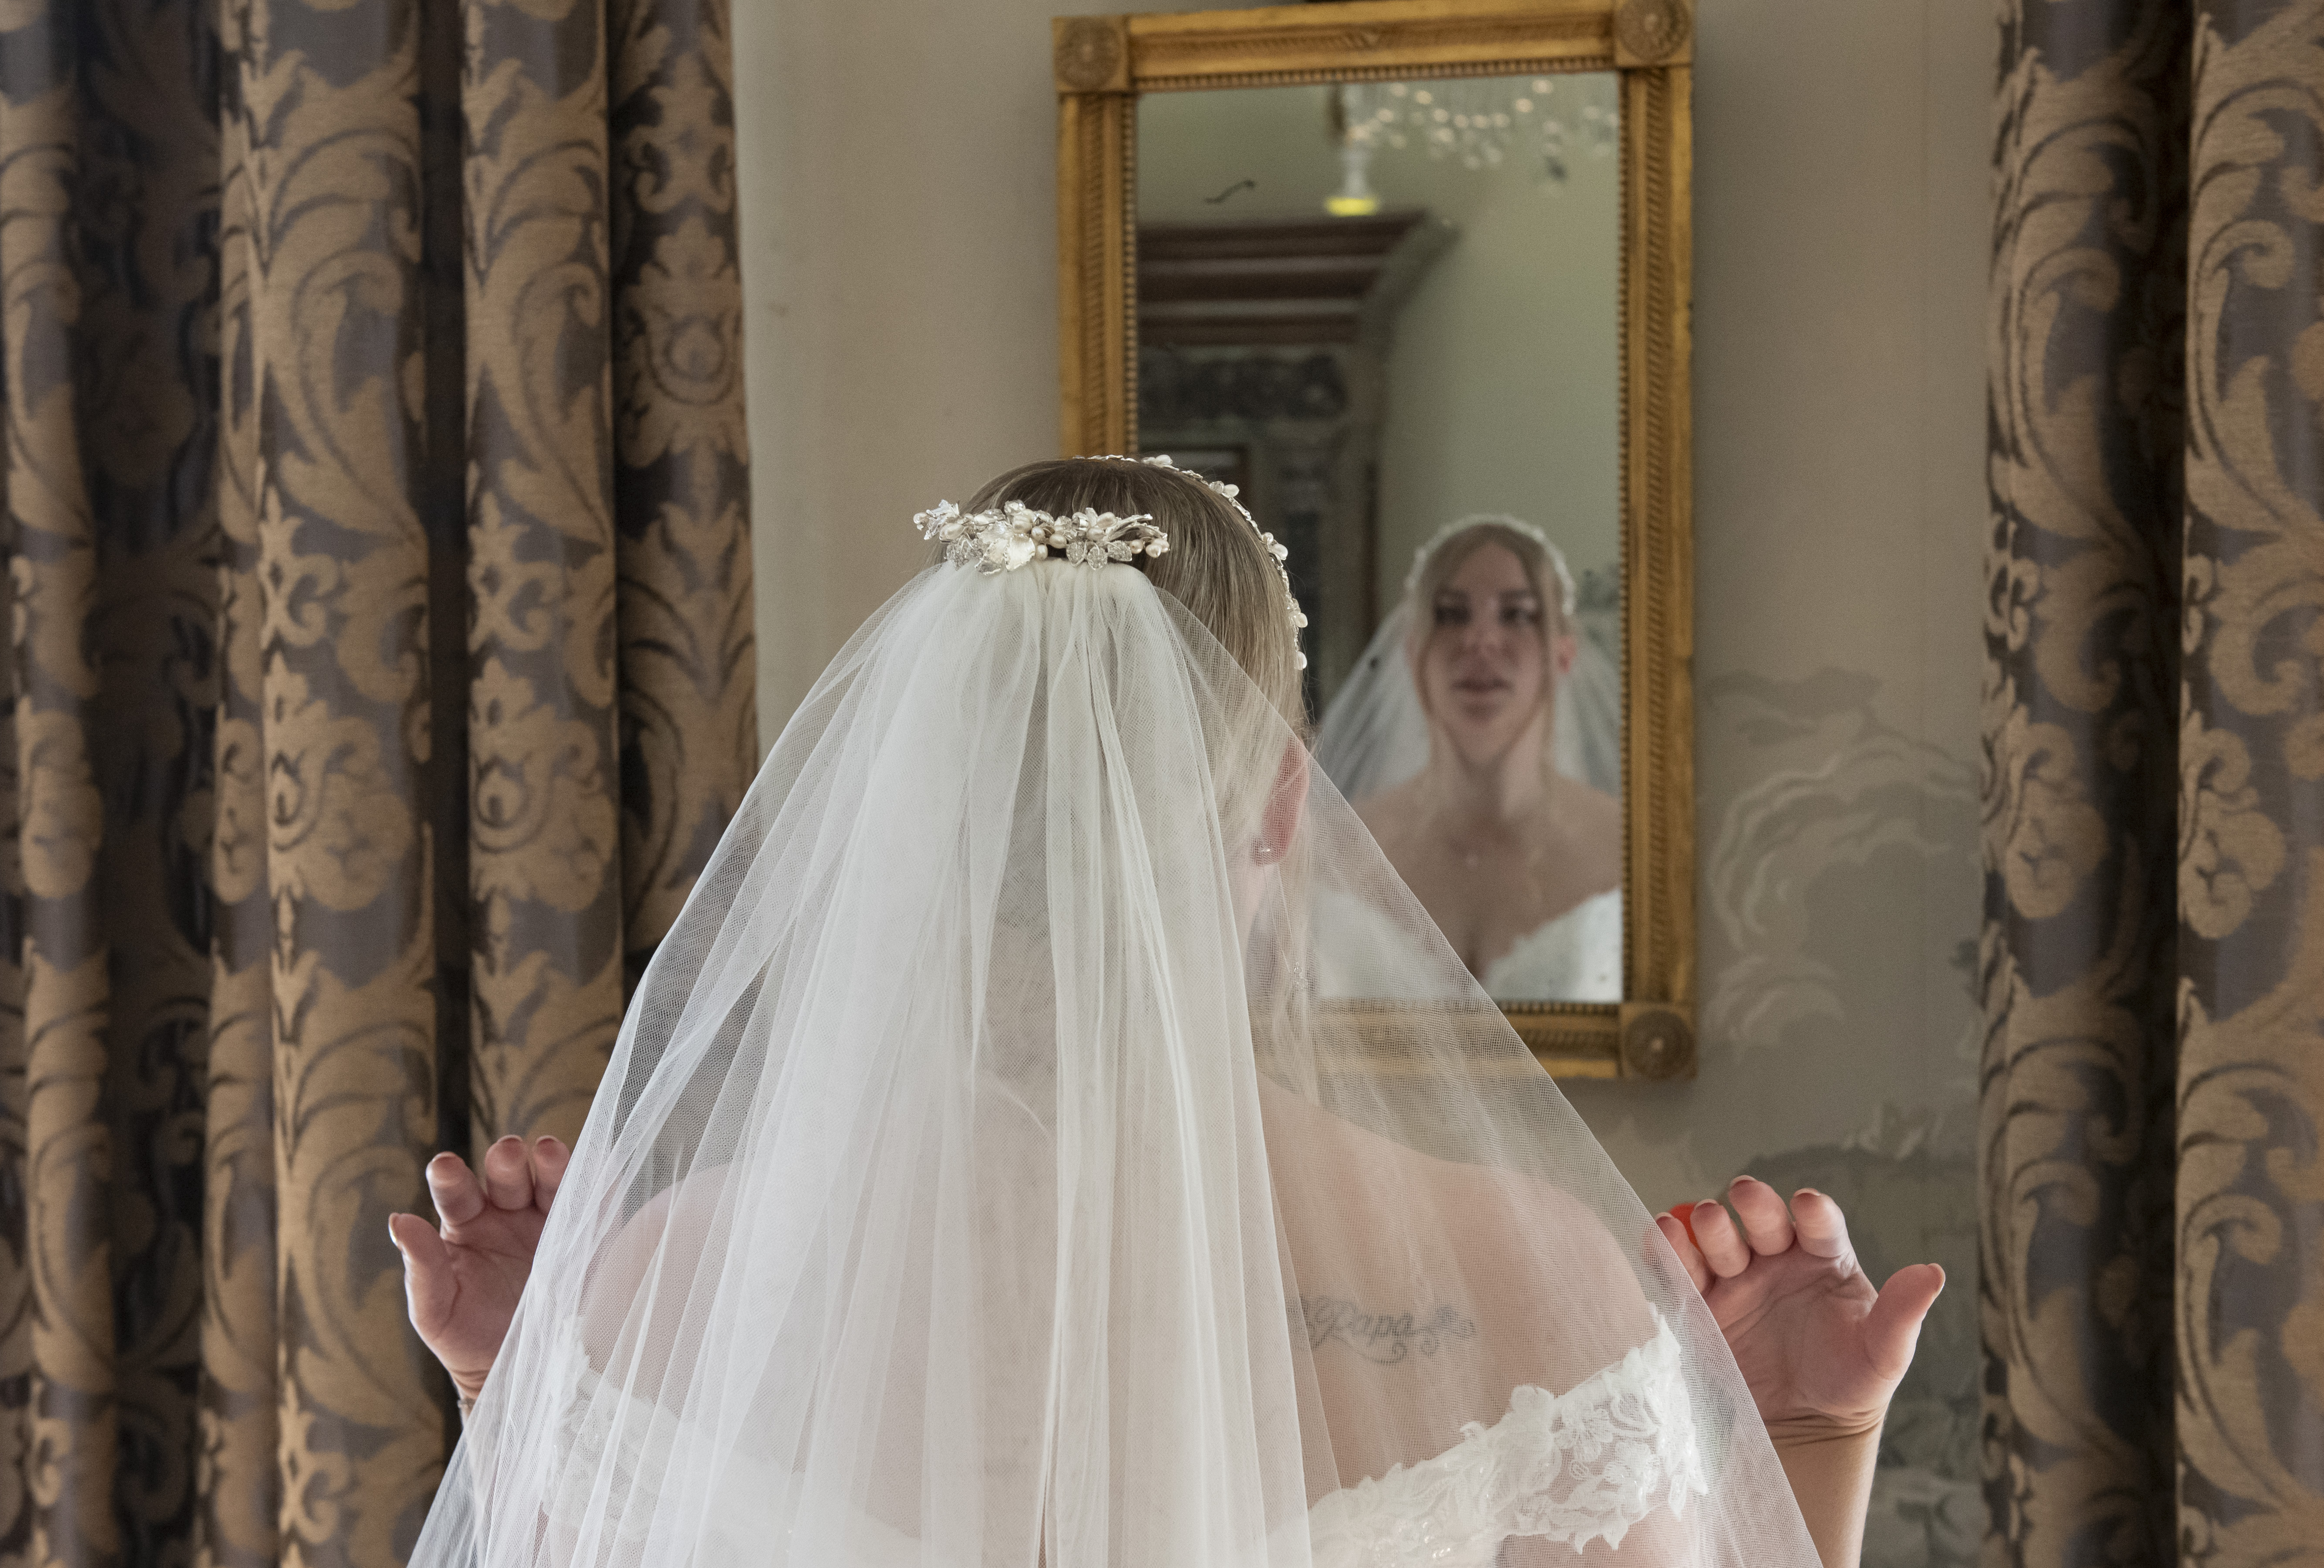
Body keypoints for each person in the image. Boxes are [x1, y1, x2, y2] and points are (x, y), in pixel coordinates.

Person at [392, 457, 1941, 1568]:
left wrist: (524, 1402)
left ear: (914, 809)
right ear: (1280, 805)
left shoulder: (664, 1291)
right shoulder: (1524, 1290)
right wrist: (1811, 1445)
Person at [1316, 517, 1622, 1001]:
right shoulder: (1337, 851)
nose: (1480, 641)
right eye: (1451, 614)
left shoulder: (1628, 852)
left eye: (1516, 614)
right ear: (1413, 654)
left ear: (1562, 657)